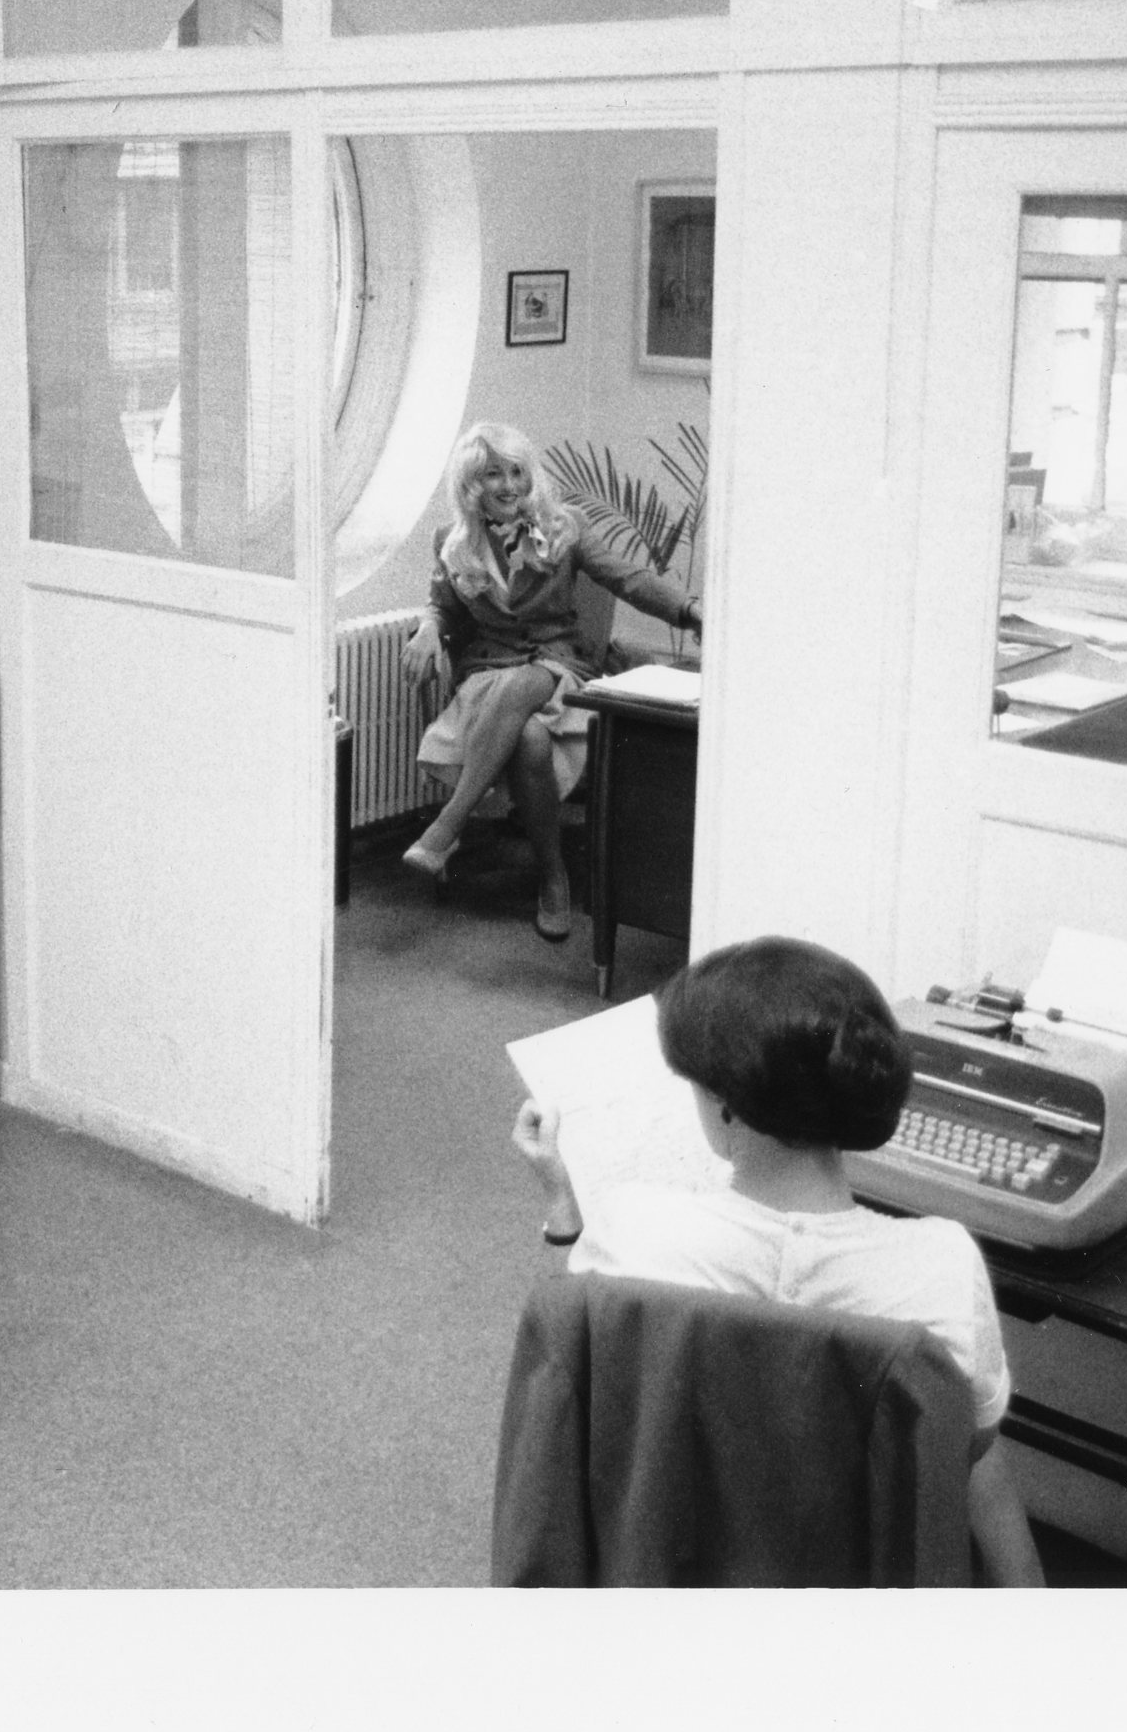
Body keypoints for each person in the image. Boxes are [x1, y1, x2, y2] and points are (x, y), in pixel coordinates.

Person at [509, 935, 1046, 1587]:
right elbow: (965, 1451)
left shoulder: (630, 1227)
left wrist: (565, 1208)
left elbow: (592, 1346)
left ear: (725, 1106)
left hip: (674, 1563)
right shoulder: (942, 1264)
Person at [401, 422, 699, 940]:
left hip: (559, 667)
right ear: (472, 483)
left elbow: (627, 576)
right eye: (494, 474)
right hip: (490, 672)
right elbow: (442, 606)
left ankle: (449, 823)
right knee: (530, 737)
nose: (509, 484)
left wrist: (688, 609)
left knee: (526, 685)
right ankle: (554, 877)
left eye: (517, 471)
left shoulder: (567, 527)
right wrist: (429, 625)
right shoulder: (450, 542)